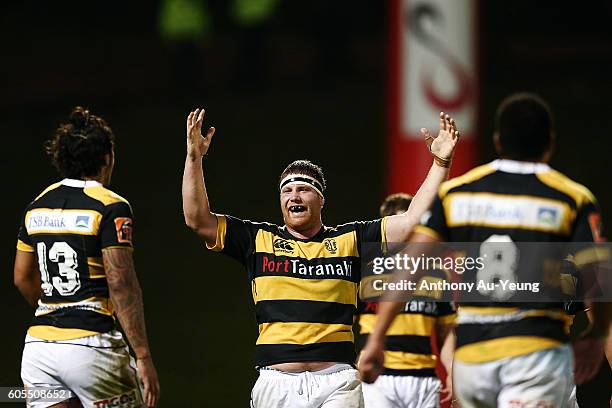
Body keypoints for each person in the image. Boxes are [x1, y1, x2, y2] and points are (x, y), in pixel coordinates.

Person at [181, 108, 460, 408]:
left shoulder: (349, 239)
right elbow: (197, 219)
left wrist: (440, 162)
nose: (294, 196)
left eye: (303, 189)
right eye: (286, 191)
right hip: (276, 382)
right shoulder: (258, 239)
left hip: (337, 381)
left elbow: (410, 221)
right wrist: (194, 157)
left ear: (321, 199)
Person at [359, 93, 611, 407]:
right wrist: (598, 331)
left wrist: (377, 337)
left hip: (473, 360)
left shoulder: (457, 193)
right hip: (534, 354)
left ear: (497, 140)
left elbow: (412, 264)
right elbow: (597, 278)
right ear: (550, 141)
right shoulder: (572, 198)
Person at [14, 107, 160, 408]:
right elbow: (121, 283)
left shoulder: (37, 207)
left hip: (39, 349)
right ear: (107, 158)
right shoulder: (110, 206)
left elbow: (22, 277)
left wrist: (57, 306)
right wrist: (142, 355)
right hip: (91, 346)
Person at [357, 193, 456, 408]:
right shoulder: (365, 269)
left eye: (413, 227)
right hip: (378, 376)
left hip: (424, 380)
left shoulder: (437, 272)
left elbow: (446, 330)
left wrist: (451, 370)